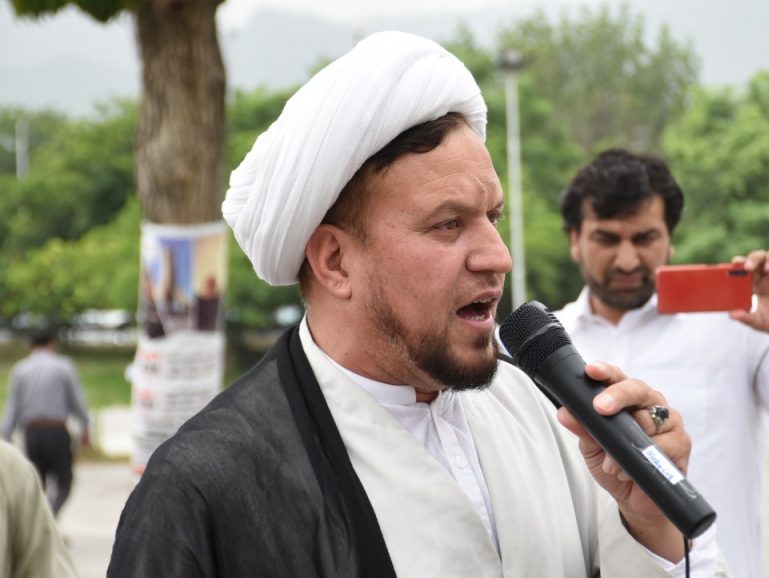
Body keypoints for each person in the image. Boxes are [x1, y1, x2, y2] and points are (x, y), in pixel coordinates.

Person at [108, 32, 728, 577]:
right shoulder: (206, 486)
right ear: (334, 262)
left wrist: (649, 523)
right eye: (448, 225)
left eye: (492, 217)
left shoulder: (543, 411)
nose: (498, 257)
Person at [554, 149, 769, 578]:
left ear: (670, 239)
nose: (627, 260)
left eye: (644, 238)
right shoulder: (538, 350)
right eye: (607, 239)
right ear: (575, 240)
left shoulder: (736, 327)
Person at [1, 329, 91, 517]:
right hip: (56, 430)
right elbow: (76, 401)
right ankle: (50, 517)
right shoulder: (63, 367)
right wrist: (85, 426)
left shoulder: (20, 369)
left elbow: (13, 407)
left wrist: (5, 439)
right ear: (52, 343)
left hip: (32, 433)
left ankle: (42, 522)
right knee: (65, 481)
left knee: (37, 483)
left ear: (30, 346)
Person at [0, 439, 77, 578]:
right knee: (63, 484)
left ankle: (49, 514)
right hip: (55, 435)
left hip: (34, 435)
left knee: (39, 482)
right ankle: (51, 514)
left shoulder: (10, 466)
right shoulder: (9, 466)